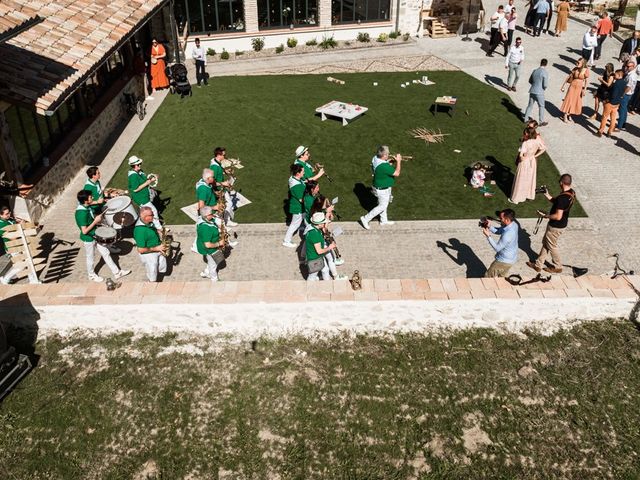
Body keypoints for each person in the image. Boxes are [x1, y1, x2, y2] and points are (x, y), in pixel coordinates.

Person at [75, 190, 130, 283]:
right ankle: (91, 275)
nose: (92, 198)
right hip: (89, 238)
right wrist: (95, 221)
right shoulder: (81, 213)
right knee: (90, 257)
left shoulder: (87, 207)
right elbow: (84, 231)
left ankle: (117, 273)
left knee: (106, 253)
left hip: (96, 235)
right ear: (85, 200)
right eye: (90, 197)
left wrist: (99, 222)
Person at [527, 174, 575, 274]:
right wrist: (547, 195)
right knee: (546, 244)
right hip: (561, 225)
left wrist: (546, 216)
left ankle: (558, 266)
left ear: (561, 182)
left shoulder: (563, 198)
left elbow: (558, 216)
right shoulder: (571, 193)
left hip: (555, 227)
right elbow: (557, 203)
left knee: (552, 246)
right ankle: (538, 265)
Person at [359, 146, 402, 230]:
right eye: (388, 154)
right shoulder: (384, 166)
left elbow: (382, 166)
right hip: (382, 189)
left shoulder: (375, 158)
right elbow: (397, 173)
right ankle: (365, 218)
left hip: (379, 186)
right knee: (382, 206)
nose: (389, 155)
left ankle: (383, 220)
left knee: (384, 203)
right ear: (384, 155)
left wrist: (389, 162)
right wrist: (399, 161)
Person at [509, 126, 546, 204]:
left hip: (525, 161)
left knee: (521, 178)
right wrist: (535, 155)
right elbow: (543, 148)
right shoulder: (537, 141)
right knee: (530, 178)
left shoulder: (525, 143)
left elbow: (521, 156)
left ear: (528, 133)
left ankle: (516, 198)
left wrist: (521, 158)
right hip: (532, 161)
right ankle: (528, 195)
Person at [127, 155, 162, 231]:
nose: (140, 165)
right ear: (134, 166)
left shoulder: (139, 171)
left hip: (144, 196)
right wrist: (149, 182)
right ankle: (159, 228)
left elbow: (144, 180)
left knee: (146, 213)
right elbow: (135, 189)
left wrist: (152, 177)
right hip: (141, 198)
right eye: (138, 164)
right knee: (153, 211)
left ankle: (150, 225)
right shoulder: (133, 176)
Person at [483, 209, 519, 277]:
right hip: (511, 260)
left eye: (501, 218)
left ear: (507, 220)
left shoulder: (508, 235)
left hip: (503, 261)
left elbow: (497, 248)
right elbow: (499, 231)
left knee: (487, 277)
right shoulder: (514, 224)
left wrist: (488, 236)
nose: (499, 219)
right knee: (502, 278)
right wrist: (489, 226)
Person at [134, 206, 167, 282]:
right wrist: (156, 249)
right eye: (151, 215)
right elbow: (141, 250)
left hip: (157, 247)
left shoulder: (148, 222)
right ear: (144, 217)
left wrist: (158, 231)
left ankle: (158, 275)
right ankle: (152, 284)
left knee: (160, 265)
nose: (154, 216)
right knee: (152, 270)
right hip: (149, 254)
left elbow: (151, 230)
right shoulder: (140, 231)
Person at [209, 147, 238, 227]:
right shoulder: (214, 167)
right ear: (219, 155)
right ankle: (219, 221)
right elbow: (211, 182)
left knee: (228, 204)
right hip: (218, 190)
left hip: (222, 188)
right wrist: (223, 183)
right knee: (223, 207)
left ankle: (226, 220)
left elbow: (220, 169)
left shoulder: (217, 162)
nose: (225, 157)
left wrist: (226, 171)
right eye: (223, 155)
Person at [305, 212, 337, 281]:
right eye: (323, 223)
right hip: (315, 258)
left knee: (325, 270)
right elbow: (319, 251)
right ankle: (309, 288)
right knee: (312, 276)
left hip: (316, 256)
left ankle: (327, 284)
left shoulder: (312, 227)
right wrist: (330, 247)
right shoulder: (315, 235)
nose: (324, 224)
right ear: (319, 224)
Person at [196, 206, 224, 282]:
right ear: (206, 216)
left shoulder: (203, 219)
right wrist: (219, 244)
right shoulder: (206, 229)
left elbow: (214, 221)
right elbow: (208, 245)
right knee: (213, 264)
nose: (213, 215)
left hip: (210, 245)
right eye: (211, 214)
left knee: (211, 261)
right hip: (210, 249)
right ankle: (214, 279)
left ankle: (206, 272)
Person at [597, 69, 626, 137]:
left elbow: (613, 95)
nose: (614, 76)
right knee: (613, 118)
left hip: (610, 103)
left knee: (605, 117)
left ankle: (600, 131)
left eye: (615, 74)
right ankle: (609, 133)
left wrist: (606, 100)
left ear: (619, 75)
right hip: (617, 103)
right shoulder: (624, 82)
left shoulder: (616, 84)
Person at [283, 164, 306, 247]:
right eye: (303, 171)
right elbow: (301, 199)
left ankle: (302, 226)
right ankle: (286, 240)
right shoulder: (296, 186)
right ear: (298, 173)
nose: (304, 173)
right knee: (294, 224)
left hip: (298, 206)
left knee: (303, 218)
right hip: (297, 207)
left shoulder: (293, 178)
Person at [0, 206, 25, 285]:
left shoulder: (10, 219)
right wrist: (21, 230)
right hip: (12, 247)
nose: (9, 215)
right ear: (1, 215)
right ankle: (5, 279)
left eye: (9, 212)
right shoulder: (1, 225)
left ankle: (33, 279)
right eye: (6, 214)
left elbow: (18, 225)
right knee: (20, 267)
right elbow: (12, 238)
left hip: (19, 244)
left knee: (27, 261)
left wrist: (21, 222)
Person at [560, 58, 589, 123]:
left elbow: (586, 81)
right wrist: (563, 86)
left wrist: (584, 90)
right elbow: (568, 76)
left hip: (579, 88)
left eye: (578, 63)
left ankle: (570, 114)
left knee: (575, 101)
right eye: (577, 62)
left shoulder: (585, 70)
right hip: (572, 86)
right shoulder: (575, 69)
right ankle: (565, 115)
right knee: (569, 99)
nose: (577, 64)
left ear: (582, 64)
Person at [523, 59, 549, 126]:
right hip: (539, 92)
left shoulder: (535, 71)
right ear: (546, 64)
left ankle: (525, 119)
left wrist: (534, 85)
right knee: (541, 106)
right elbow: (545, 84)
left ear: (540, 63)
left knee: (530, 106)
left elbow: (530, 81)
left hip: (532, 91)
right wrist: (544, 88)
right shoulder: (544, 72)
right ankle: (541, 121)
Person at [616, 60, 638, 131]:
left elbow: (628, 87)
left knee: (622, 110)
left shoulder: (631, 76)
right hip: (629, 94)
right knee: (624, 109)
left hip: (626, 95)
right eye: (626, 66)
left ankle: (619, 126)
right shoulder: (632, 74)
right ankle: (623, 124)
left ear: (633, 67)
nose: (626, 68)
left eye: (628, 66)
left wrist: (623, 94)